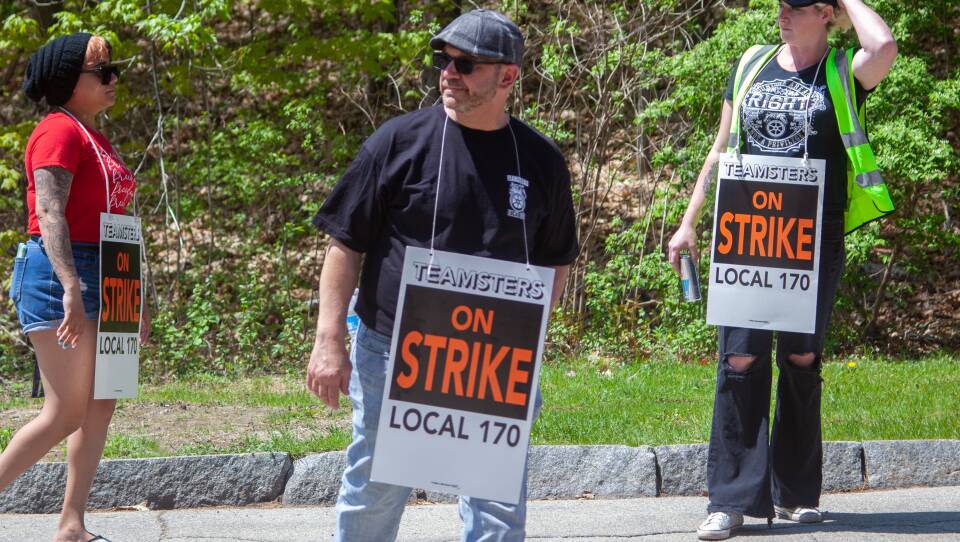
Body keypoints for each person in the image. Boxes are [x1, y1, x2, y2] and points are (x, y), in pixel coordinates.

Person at [306, 9, 578, 541]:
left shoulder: (542, 161)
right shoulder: (397, 142)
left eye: (466, 64)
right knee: (376, 489)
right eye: (443, 61)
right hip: (393, 347)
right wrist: (329, 339)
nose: (448, 73)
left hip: (494, 359)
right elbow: (344, 244)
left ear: (507, 77)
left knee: (496, 500)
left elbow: (555, 260)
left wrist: (530, 343)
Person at [668, 0, 896, 539]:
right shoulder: (751, 62)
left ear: (824, 12)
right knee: (740, 357)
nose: (781, 14)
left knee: (800, 357)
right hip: (747, 232)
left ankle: (796, 493)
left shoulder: (843, 71)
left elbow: (883, 47)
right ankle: (730, 500)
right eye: (778, 5)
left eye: (794, 6)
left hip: (812, 238)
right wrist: (688, 222)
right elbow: (720, 149)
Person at [2, 32, 148, 542]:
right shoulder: (57, 132)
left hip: (111, 274)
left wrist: (134, 297)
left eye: (114, 68)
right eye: (101, 71)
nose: (113, 79)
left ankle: (71, 524)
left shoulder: (95, 137)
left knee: (102, 402)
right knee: (65, 411)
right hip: (59, 271)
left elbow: (117, 220)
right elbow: (48, 213)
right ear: (69, 82)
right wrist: (69, 285)